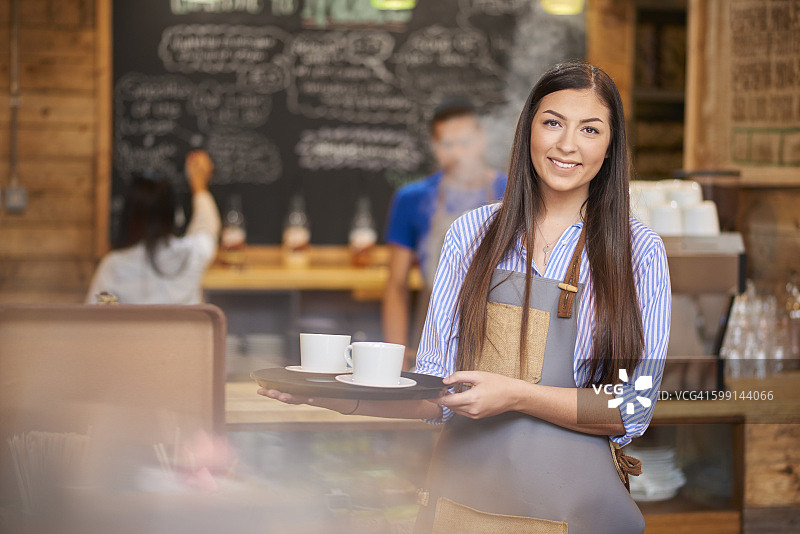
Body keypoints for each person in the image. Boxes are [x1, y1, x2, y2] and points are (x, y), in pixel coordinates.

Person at [259, 63, 670, 533]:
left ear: (610, 147)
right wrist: (340, 399)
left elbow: (631, 408)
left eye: (590, 129)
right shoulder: (469, 236)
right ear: (528, 130)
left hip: (578, 513)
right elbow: (437, 391)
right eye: (552, 122)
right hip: (464, 507)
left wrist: (515, 395)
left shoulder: (638, 253)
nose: (567, 144)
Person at [383, 96, 506, 369]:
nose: (458, 154)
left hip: (500, 343)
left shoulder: (512, 194)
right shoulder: (411, 199)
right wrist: (396, 364)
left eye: (465, 143)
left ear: (482, 138)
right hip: (432, 336)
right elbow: (396, 287)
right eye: (447, 145)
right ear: (434, 147)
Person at [86, 150, 221, 304]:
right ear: (173, 215)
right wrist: (199, 185)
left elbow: (96, 318)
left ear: (128, 215)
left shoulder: (113, 267)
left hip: (132, 329)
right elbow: (207, 226)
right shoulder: (190, 256)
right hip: (183, 329)